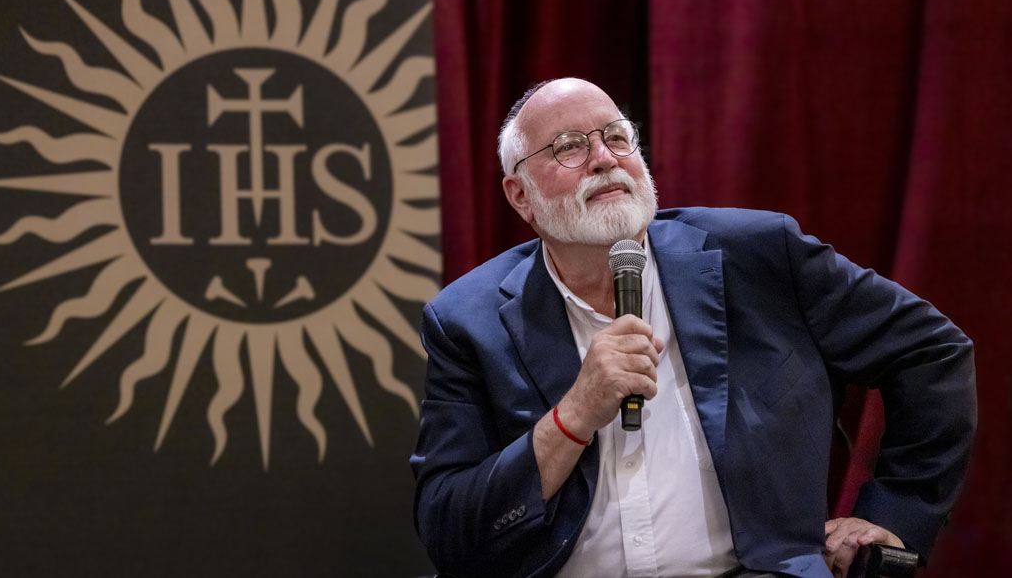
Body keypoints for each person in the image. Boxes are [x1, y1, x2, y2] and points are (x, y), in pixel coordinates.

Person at [410, 78, 975, 578]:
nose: (604, 158)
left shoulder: (758, 256)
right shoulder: (468, 320)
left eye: (616, 137)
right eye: (568, 148)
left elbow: (932, 352)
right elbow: (451, 531)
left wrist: (897, 515)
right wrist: (574, 416)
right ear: (521, 196)